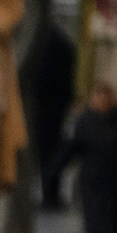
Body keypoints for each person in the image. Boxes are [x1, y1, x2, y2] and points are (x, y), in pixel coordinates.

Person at [54, 83, 117, 233]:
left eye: (106, 98)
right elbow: (72, 148)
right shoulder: (85, 122)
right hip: (94, 185)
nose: (102, 102)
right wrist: (52, 172)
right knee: (96, 229)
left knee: (115, 229)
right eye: (98, 98)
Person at [20, 23, 75, 211]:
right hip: (56, 107)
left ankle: (48, 194)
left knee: (43, 152)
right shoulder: (62, 43)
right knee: (52, 151)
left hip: (43, 106)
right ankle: (51, 194)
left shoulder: (42, 43)